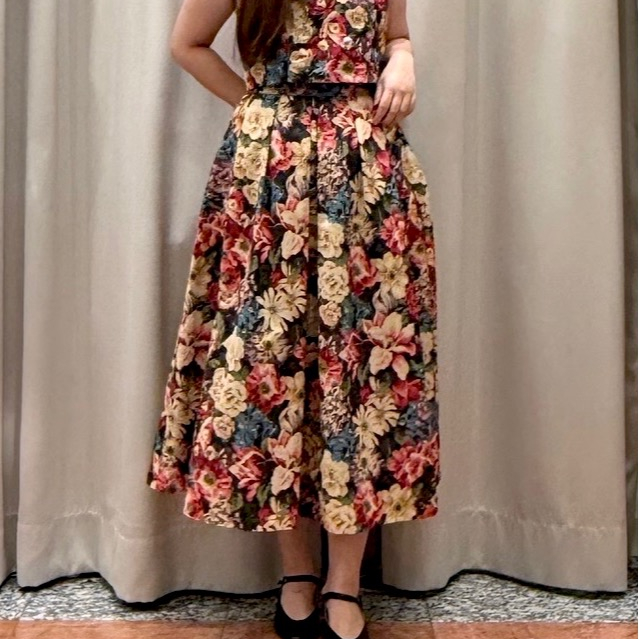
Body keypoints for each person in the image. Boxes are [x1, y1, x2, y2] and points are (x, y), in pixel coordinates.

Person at [147, 1, 441, 638]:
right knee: (273, 366)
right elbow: (187, 44)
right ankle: (297, 572)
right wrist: (259, 109)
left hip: (367, 177)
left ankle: (344, 581)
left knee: (361, 372)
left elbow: (396, 33)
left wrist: (404, 59)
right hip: (271, 178)